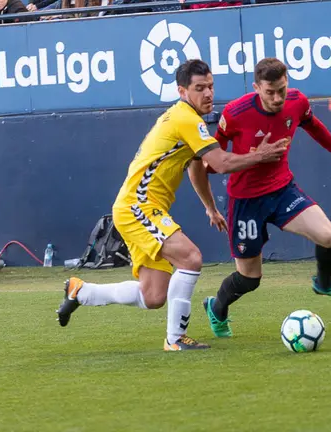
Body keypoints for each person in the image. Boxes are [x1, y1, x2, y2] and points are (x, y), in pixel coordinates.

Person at [55, 59, 290, 351]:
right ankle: (175, 339)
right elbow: (220, 162)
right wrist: (260, 155)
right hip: (137, 205)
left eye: (211, 86)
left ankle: (82, 292)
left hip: (140, 207)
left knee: (153, 296)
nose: (208, 94)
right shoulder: (186, 119)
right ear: (182, 91)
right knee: (191, 258)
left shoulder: (189, 119)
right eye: (199, 88)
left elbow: (197, 167)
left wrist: (210, 207)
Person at [201, 57, 331, 338]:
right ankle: (216, 308)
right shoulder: (235, 113)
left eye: (281, 89)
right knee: (249, 279)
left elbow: (314, 126)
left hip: (282, 191)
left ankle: (324, 283)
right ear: (257, 87)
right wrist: (254, 158)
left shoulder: (297, 101)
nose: (277, 97)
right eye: (270, 92)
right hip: (245, 201)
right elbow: (213, 161)